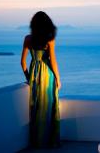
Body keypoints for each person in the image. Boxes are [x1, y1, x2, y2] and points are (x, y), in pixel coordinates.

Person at [20, 11, 61, 148]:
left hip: (34, 73)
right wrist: (58, 78)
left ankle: (37, 141)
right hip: (47, 75)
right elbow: (53, 62)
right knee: (49, 106)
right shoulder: (50, 40)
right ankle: (50, 140)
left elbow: (23, 63)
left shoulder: (27, 38)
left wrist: (29, 78)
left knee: (35, 107)